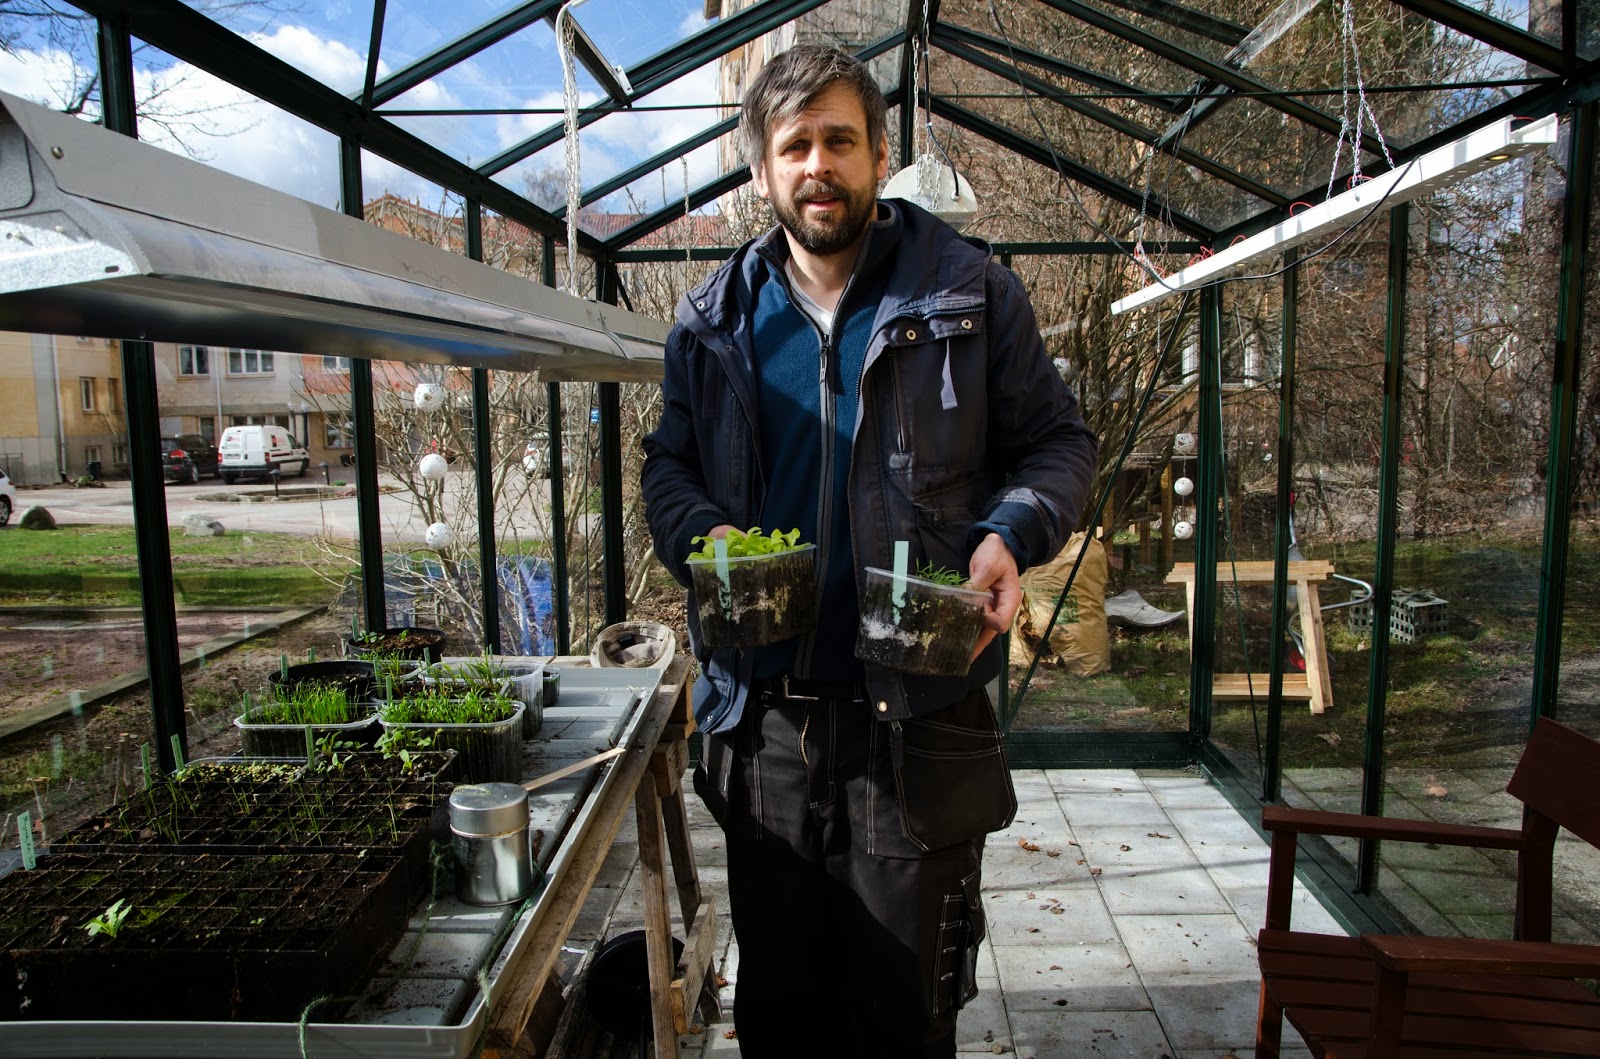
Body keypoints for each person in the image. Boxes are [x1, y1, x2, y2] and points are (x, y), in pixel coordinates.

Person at [640, 44, 1098, 1058]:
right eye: (793, 144)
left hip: (918, 723)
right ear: (760, 169)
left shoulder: (972, 296)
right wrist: (699, 534)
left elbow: (1059, 445)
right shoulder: (714, 322)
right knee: (784, 1015)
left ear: (878, 154)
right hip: (763, 730)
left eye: (839, 140)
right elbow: (665, 464)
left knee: (901, 1014)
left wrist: (1006, 536)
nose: (818, 165)